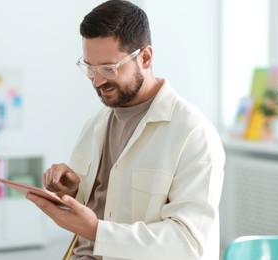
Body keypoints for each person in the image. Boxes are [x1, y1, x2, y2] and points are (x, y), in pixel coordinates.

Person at [26, 0, 225, 259]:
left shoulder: (193, 134)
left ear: (145, 57)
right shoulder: (97, 123)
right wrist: (73, 191)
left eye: (108, 68)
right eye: (89, 68)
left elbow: (188, 244)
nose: (97, 80)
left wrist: (97, 230)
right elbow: (103, 203)